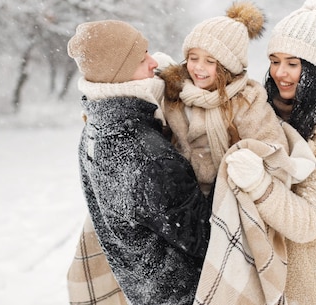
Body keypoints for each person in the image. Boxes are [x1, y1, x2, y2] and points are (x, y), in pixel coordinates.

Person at [225, 0, 316, 305]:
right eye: (275, 61)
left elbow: (310, 222)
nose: (279, 73)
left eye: (293, 64)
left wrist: (259, 185)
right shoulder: (267, 110)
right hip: (266, 277)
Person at [66, 20, 212, 305]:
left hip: (146, 293)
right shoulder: (148, 156)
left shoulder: (94, 132)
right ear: (118, 72)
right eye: (142, 56)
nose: (153, 62)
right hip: (185, 296)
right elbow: (205, 235)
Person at [160, 1, 315, 196]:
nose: (199, 67)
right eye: (193, 58)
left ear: (228, 67)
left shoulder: (247, 101)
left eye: (210, 62)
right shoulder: (175, 95)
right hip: (185, 196)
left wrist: (245, 166)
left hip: (228, 196)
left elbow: (272, 148)